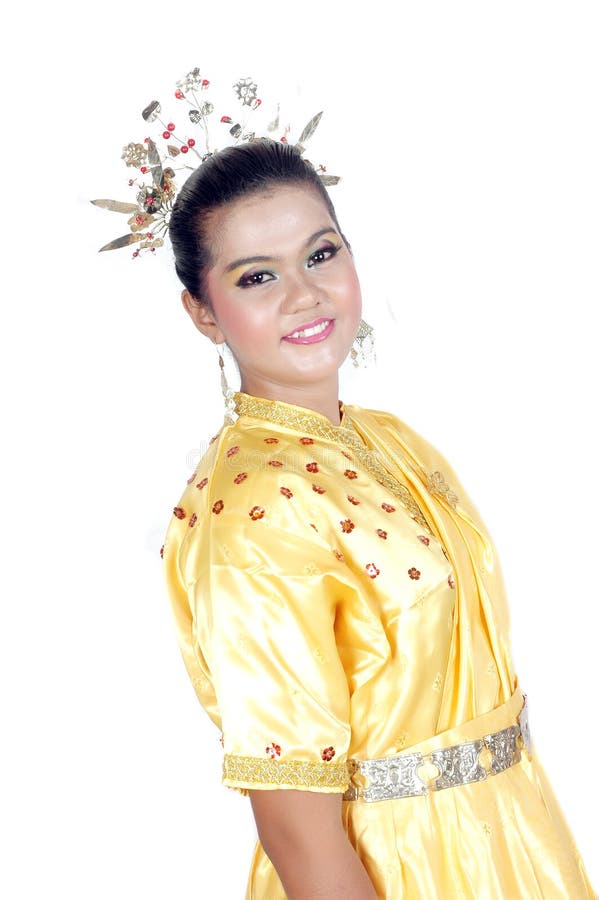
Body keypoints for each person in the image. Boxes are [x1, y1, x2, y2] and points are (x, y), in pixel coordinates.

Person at [161, 138, 595, 899]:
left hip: (508, 838)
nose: (304, 294)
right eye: (257, 276)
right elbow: (296, 827)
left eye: (320, 255)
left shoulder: (390, 437)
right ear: (202, 311)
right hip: (394, 870)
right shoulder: (252, 518)